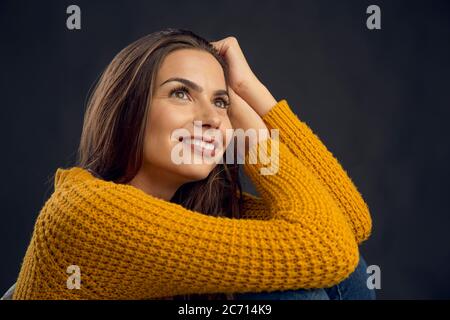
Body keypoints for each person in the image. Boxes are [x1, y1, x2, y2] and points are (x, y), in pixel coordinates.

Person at [12, 28, 373, 300]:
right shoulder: (86, 212)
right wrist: (256, 141)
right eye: (181, 93)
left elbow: (349, 226)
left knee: (325, 270)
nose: (213, 118)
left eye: (220, 102)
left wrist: (252, 91)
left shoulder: (196, 210)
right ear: (129, 111)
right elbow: (325, 245)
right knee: (298, 284)